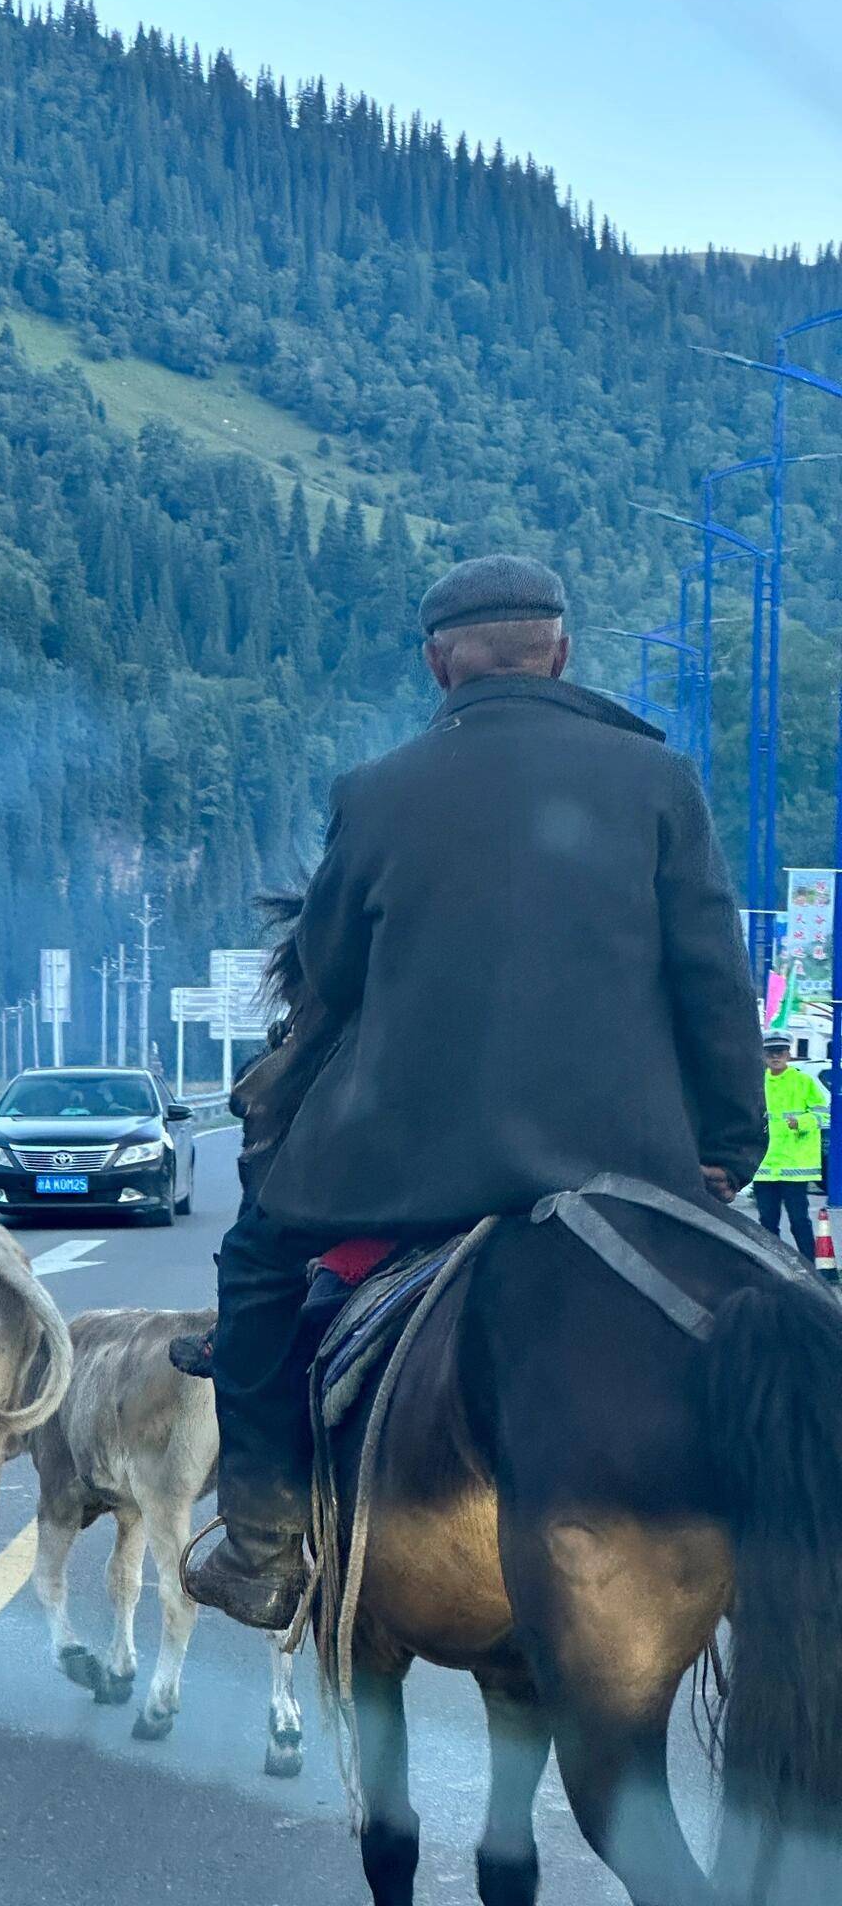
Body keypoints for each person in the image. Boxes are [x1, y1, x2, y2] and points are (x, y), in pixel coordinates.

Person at [185, 552, 767, 1630]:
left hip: (411, 1167)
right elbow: (714, 985)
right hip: (625, 1164)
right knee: (776, 1300)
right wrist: (729, 1146)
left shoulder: (375, 793)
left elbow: (329, 975)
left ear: (438, 666)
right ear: (562, 653)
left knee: (258, 1264)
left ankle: (261, 1542)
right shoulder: (658, 781)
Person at [754, 1031, 829, 1263]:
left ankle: (809, 1267)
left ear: (788, 1054)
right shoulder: (757, 1084)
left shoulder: (803, 1082)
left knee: (799, 1220)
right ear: (764, 1055)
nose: (775, 1057)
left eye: (780, 1052)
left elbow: (824, 1115)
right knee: (767, 1222)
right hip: (764, 1168)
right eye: (770, 1052)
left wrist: (802, 1123)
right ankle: (773, 1266)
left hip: (795, 1167)